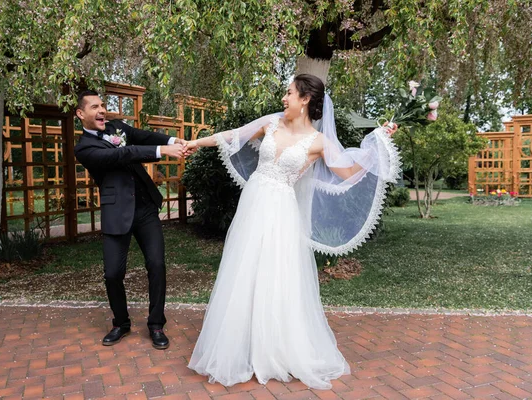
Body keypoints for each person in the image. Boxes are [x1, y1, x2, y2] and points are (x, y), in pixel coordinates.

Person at [184, 74, 400, 389]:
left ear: (305, 100)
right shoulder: (271, 123)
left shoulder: (319, 142)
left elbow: (349, 173)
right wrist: (193, 143)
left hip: (282, 211)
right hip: (253, 205)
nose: (284, 98)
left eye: (289, 93)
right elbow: (234, 135)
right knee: (245, 269)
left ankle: (274, 347)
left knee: (275, 273)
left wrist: (376, 142)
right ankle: (240, 343)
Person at [74, 90, 190, 349]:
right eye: (95, 107)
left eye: (102, 105)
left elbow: (142, 136)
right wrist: (163, 151)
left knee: (157, 265)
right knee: (113, 274)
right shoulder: (83, 148)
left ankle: (156, 324)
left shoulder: (117, 127)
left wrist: (174, 139)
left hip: (145, 208)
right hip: (117, 212)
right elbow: (122, 155)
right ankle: (121, 323)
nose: (102, 110)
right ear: (81, 114)